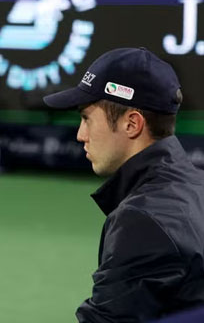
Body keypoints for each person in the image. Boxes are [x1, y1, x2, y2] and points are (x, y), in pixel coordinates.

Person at [43, 47, 204, 322]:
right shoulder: (197, 185)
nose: (81, 135)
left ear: (132, 124)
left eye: (86, 119)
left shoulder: (141, 221)